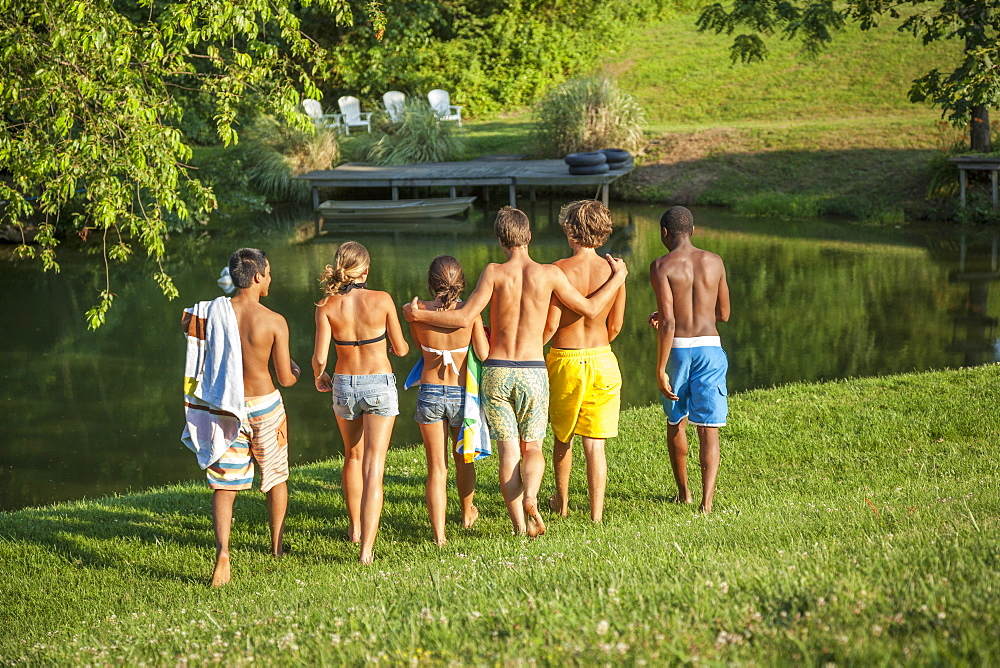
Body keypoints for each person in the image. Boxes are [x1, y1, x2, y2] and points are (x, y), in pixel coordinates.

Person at [405, 206, 627, 537]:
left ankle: (520, 528)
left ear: (500, 239)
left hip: (497, 371)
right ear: (530, 236)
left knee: (509, 452)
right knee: (532, 447)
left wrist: (421, 316)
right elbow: (592, 308)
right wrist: (619, 277)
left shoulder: (494, 272)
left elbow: (466, 318)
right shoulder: (550, 274)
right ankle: (533, 498)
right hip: (533, 370)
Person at [183, 247, 301, 588]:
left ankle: (223, 554)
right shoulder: (274, 321)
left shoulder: (213, 313)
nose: (271, 278)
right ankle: (277, 547)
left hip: (224, 407)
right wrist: (294, 369)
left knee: (224, 484)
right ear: (260, 276)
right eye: (270, 273)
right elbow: (285, 378)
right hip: (265, 405)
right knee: (275, 476)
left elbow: (187, 327)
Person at [312, 241, 409, 564]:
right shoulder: (381, 300)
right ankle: (366, 550)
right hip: (378, 383)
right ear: (366, 271)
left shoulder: (326, 305)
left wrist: (319, 376)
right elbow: (402, 347)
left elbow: (318, 358)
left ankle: (354, 529)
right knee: (374, 465)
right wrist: (390, 348)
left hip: (344, 384)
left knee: (352, 456)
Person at [542, 200, 626, 523]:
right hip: (603, 359)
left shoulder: (558, 270)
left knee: (563, 437)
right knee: (595, 444)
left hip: (565, 359)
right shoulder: (615, 271)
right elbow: (615, 325)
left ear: (570, 230)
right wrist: (598, 345)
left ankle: (561, 504)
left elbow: (550, 325)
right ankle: (596, 516)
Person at [649, 206, 730, 514]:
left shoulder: (661, 265)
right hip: (710, 346)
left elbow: (668, 322)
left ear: (664, 233)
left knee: (676, 421)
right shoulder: (715, 261)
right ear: (693, 231)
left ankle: (684, 493)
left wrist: (660, 368)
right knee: (709, 427)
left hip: (679, 349)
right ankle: (707, 504)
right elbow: (723, 314)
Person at [407, 256, 491, 546]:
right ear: (461, 284)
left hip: (430, 391)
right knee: (463, 459)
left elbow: (419, 347)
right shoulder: (471, 314)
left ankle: (439, 536)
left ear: (430, 284)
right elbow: (482, 353)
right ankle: (467, 513)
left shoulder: (416, 313)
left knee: (436, 467)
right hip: (460, 395)